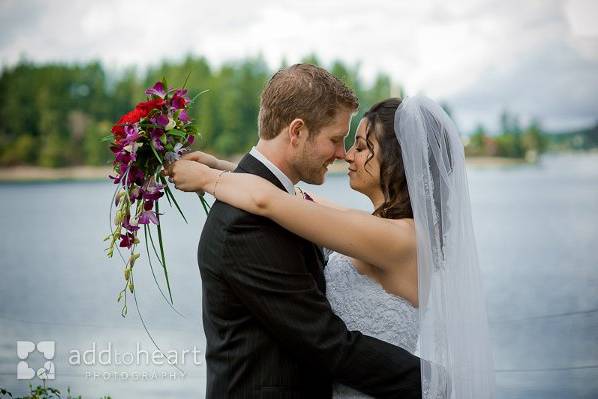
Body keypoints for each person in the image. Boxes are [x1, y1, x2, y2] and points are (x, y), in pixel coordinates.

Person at [168, 91, 496, 398]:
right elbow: (302, 200)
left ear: (397, 162)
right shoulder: (383, 228)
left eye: (362, 146)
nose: (347, 155)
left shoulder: (400, 239)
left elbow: (271, 202)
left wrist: (209, 181)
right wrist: (222, 167)